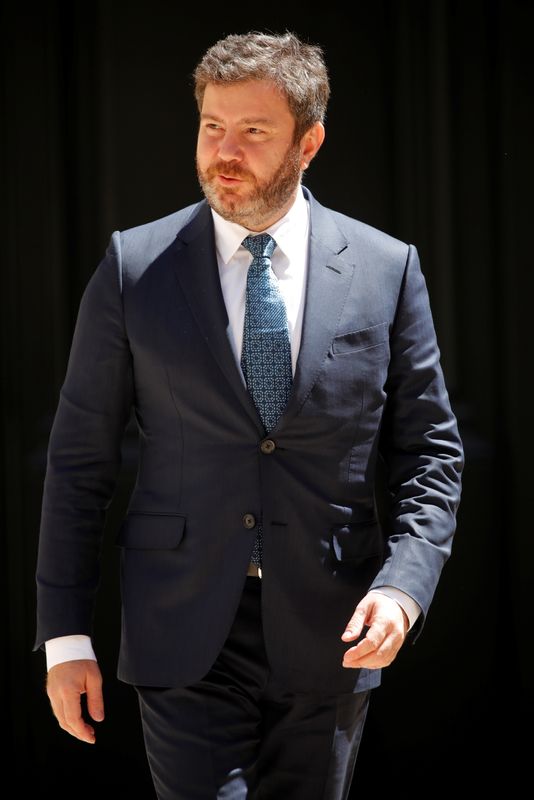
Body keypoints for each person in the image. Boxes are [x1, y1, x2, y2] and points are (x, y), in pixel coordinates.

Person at [35, 31, 464, 800]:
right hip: (182, 627)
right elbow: (79, 461)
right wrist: (64, 636)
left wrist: (403, 587)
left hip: (332, 628)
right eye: (211, 128)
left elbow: (431, 452)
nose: (223, 152)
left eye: (253, 132)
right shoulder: (134, 267)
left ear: (310, 141)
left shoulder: (385, 268)